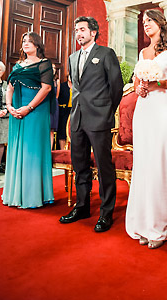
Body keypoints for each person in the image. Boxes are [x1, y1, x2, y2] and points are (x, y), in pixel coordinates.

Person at [125, 9, 167, 249]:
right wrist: (139, 88)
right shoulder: (143, 52)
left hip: (162, 108)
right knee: (144, 165)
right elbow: (136, 81)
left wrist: (158, 82)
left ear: (161, 23)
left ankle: (160, 227)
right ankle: (143, 223)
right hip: (144, 109)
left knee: (159, 164)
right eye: (143, 22)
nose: (146, 25)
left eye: (149, 20)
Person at [59, 16, 123, 232]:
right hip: (77, 118)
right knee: (80, 166)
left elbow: (116, 86)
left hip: (99, 117)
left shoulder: (105, 53)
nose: (78, 33)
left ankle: (106, 213)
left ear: (93, 32)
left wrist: (107, 111)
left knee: (104, 166)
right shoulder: (72, 57)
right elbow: (75, 89)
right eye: (76, 30)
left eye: (82, 30)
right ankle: (82, 206)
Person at [2, 32, 55, 208]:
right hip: (16, 112)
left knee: (32, 151)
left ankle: (33, 196)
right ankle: (15, 194)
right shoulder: (17, 65)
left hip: (35, 112)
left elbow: (46, 88)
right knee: (17, 149)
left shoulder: (44, 64)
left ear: (37, 45)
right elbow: (10, 86)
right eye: (24, 41)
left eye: (30, 41)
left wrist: (29, 108)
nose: (26, 44)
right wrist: (9, 106)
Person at [56, 76, 72, 150]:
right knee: (62, 130)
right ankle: (62, 150)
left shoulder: (77, 86)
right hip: (63, 111)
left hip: (74, 111)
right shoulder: (62, 86)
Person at [50, 63, 60, 149]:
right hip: (45, 104)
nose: (52, 69)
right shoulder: (43, 79)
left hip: (54, 105)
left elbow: (57, 95)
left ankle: (50, 150)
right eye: (51, 67)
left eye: (54, 68)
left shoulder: (57, 81)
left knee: (51, 130)